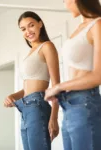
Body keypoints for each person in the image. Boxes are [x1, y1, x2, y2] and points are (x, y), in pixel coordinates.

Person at [45, 0, 101, 150]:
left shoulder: (98, 25)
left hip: (85, 102)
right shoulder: (79, 28)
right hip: (69, 104)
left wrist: (58, 87)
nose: (65, 5)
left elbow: (98, 75)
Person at [4, 11, 60, 150]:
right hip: (25, 108)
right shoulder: (30, 52)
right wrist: (13, 96)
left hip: (37, 105)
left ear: (40, 24)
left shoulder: (47, 46)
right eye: (23, 29)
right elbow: (30, 87)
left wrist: (54, 118)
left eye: (31, 25)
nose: (28, 31)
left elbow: (56, 85)